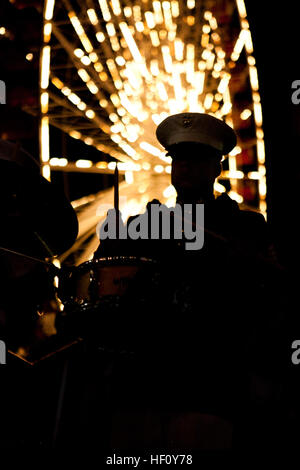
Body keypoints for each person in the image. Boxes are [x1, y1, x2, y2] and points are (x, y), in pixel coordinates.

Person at [93, 113, 288, 451]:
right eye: (179, 158)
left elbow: (271, 299)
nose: (185, 166)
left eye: (197, 158)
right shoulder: (143, 225)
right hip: (143, 381)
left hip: (210, 380)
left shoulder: (246, 228)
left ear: (218, 168)